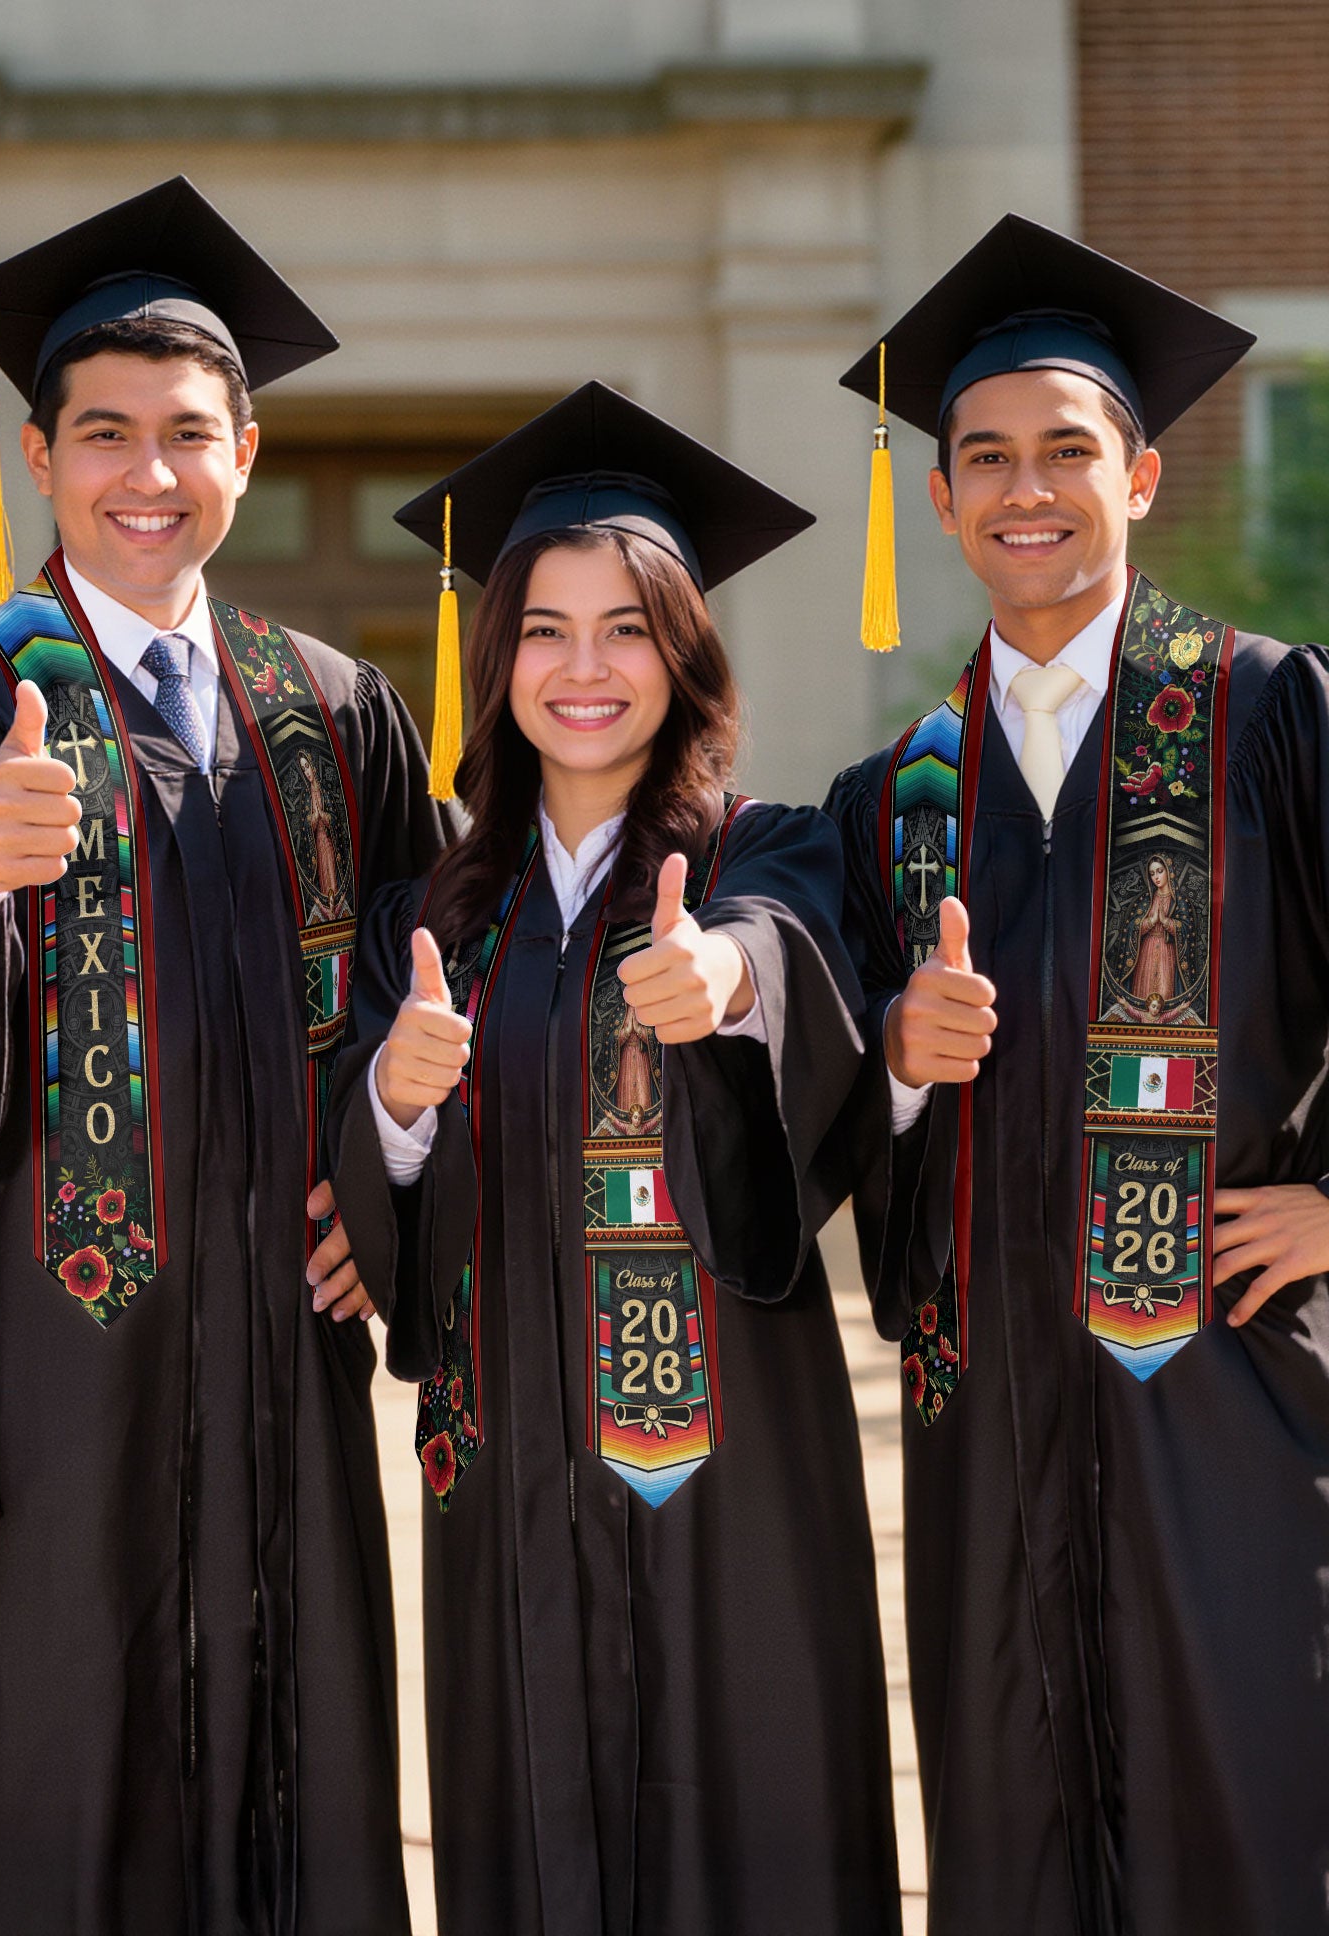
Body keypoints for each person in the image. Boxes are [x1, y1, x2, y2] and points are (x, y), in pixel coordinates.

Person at [0, 177, 451, 1935]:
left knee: (305, 1770)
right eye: (105, 434)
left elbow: (443, 980)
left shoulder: (334, 705)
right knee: (62, 1789)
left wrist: (393, 1185)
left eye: (189, 434)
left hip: (285, 1352)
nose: (147, 474)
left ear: (246, 450)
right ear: (40, 457)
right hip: (59, 1361)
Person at [329, 383, 899, 1934]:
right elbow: (376, 1185)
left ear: (686, 653)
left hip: (733, 1475)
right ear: (495, 657)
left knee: (755, 1832)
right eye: (545, 630)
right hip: (507, 1466)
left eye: (629, 628)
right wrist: (393, 1091)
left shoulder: (764, 850)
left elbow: (790, 960)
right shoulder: (430, 917)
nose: (586, 669)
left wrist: (724, 985)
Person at [826, 215, 1329, 1935]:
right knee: (1011, 1831)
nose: (1023, 489)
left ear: (1142, 474)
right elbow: (820, 1109)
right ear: (946, 497)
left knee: (1249, 1815)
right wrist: (893, 1062)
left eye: (1065, 451)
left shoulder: (1267, 715)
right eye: (984, 458)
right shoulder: (895, 793)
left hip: (1229, 1394)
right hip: (989, 1424)